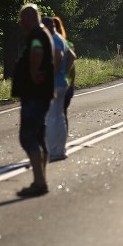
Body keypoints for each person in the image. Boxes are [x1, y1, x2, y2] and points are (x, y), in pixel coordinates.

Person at [11, 4, 54, 197]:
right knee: (38, 137)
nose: (21, 23)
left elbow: (36, 52)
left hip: (34, 94)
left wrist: (34, 71)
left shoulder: (37, 36)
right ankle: (41, 180)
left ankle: (39, 181)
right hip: (40, 94)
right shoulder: (42, 33)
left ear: (29, 18)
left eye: (22, 19)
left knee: (28, 137)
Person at [42, 16, 71, 161]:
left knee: (51, 118)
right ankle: (60, 150)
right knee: (59, 117)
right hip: (62, 82)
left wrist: (51, 75)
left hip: (54, 84)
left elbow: (58, 56)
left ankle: (53, 151)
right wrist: (64, 72)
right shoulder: (60, 38)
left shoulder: (52, 39)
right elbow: (71, 56)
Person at [52, 16, 76, 129]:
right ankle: (62, 138)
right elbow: (73, 67)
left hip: (57, 83)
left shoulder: (51, 44)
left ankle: (55, 139)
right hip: (65, 83)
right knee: (62, 113)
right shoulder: (68, 44)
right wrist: (72, 84)